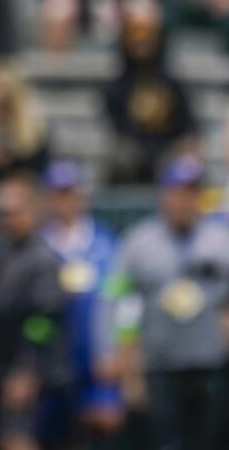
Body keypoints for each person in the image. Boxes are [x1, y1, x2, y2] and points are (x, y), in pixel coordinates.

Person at [98, 156, 229, 450]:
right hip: (159, 365)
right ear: (164, 194)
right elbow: (117, 302)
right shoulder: (138, 243)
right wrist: (123, 357)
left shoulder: (220, 240)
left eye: (193, 192)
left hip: (211, 364)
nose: (185, 201)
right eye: (179, 191)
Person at [0, 176, 68, 450]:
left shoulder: (42, 259)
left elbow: (45, 319)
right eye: (1, 213)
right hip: (4, 367)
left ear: (33, 213)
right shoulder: (0, 253)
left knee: (18, 438)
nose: (6, 220)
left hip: (34, 373)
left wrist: (26, 371)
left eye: (13, 213)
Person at [39, 161, 123, 444]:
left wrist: (115, 350)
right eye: (58, 193)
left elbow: (121, 301)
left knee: (99, 429)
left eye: (70, 192)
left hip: (97, 360)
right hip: (49, 361)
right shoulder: (39, 243)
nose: (65, 200)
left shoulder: (105, 241)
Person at [103, 0, 198, 185]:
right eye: (135, 32)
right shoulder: (115, 86)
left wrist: (177, 152)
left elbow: (187, 127)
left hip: (169, 159)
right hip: (131, 166)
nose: (141, 41)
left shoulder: (172, 83)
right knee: (123, 159)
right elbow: (116, 132)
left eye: (147, 33)